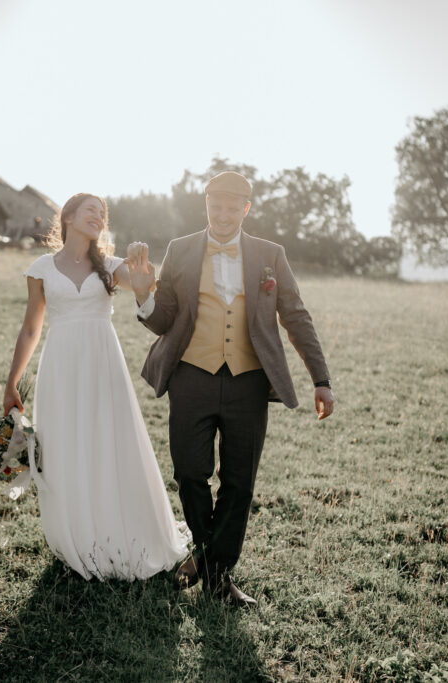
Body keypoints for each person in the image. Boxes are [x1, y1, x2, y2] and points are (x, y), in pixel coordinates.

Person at [126, 171, 334, 606]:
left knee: (239, 482)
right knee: (189, 473)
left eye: (231, 208)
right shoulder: (180, 249)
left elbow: (296, 316)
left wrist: (321, 379)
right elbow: (164, 320)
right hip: (191, 376)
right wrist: (144, 296)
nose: (222, 216)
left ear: (246, 209)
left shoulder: (270, 255)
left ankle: (217, 573)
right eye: (215, 207)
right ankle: (207, 556)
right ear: (206, 205)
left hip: (249, 383)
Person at [3, 193, 190, 580]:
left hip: (103, 364)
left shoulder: (110, 265)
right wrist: (12, 381)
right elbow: (31, 329)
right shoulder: (41, 268)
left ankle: (120, 533)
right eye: (91, 209)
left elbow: (141, 287)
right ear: (68, 217)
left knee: (110, 441)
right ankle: (76, 535)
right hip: (60, 367)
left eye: (102, 213)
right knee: (65, 447)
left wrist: (143, 285)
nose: (99, 216)